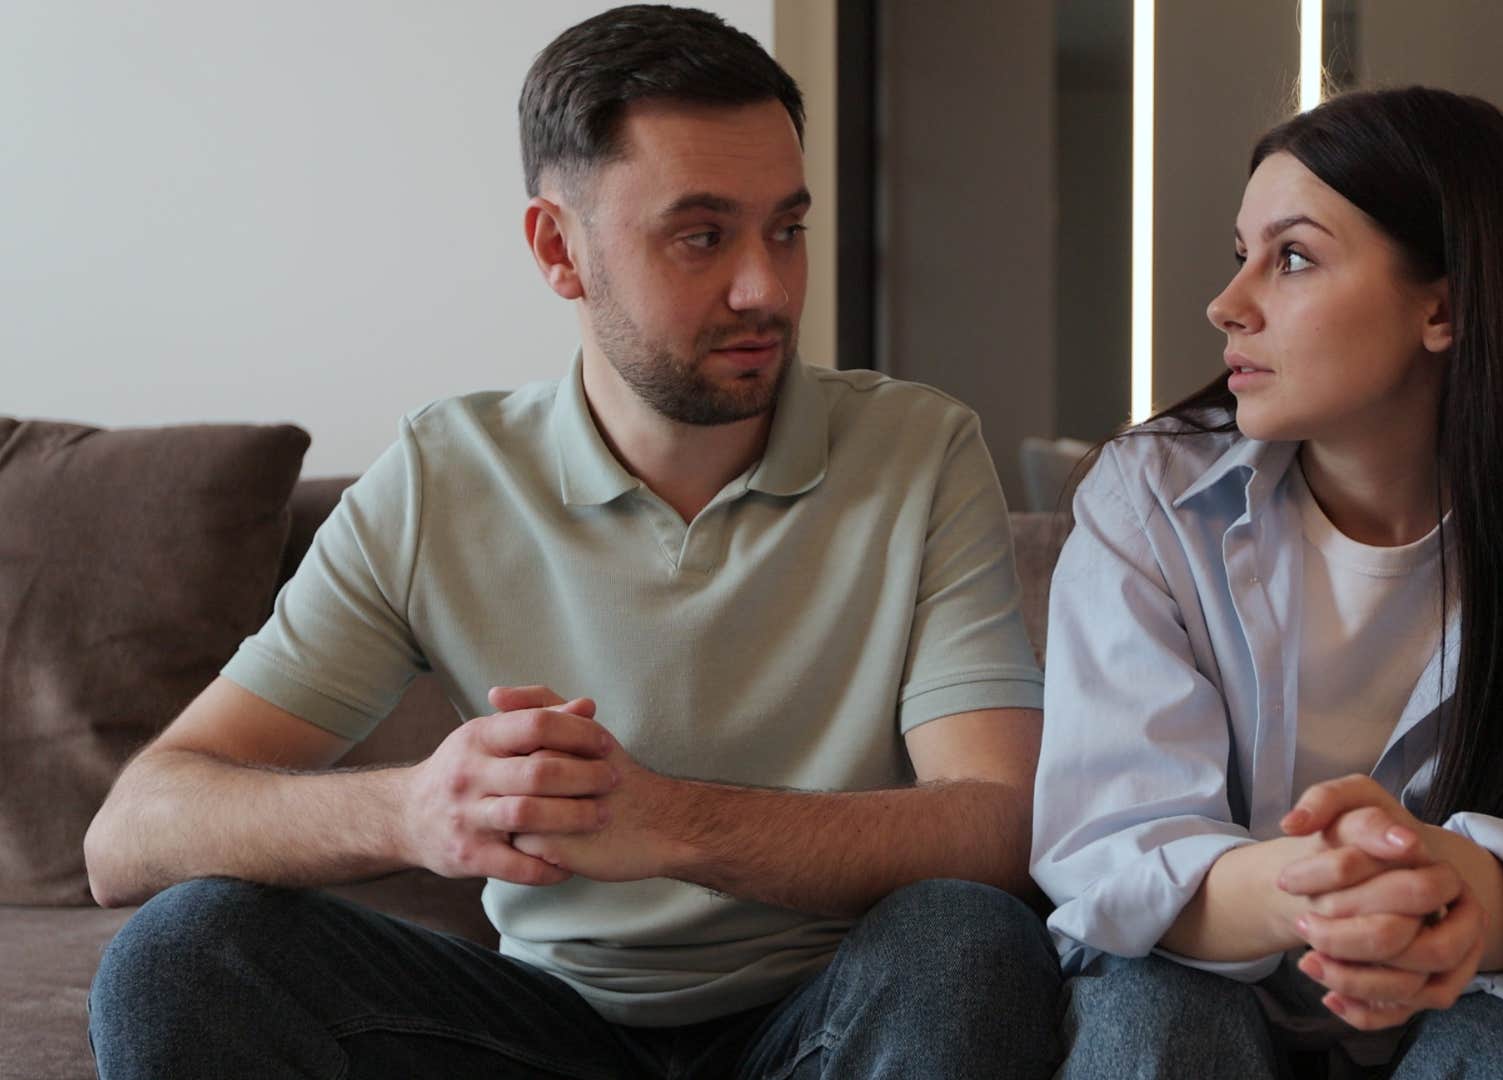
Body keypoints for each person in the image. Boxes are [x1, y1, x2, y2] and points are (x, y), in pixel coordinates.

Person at [84, 7, 1058, 1077]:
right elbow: (130, 834)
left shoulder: (919, 452)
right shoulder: (443, 478)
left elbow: (997, 827)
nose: (766, 289)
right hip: (543, 1032)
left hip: (832, 1023)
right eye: (701, 235)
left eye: (787, 227)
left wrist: (676, 824)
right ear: (559, 248)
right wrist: (412, 810)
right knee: (181, 956)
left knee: (970, 940)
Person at [1031, 86, 1503, 1079]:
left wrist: (1474, 900)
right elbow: (1110, 845)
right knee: (1151, 1014)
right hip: (1213, 980)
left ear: (1443, 307)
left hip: (1481, 1002)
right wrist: (1344, 885)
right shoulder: (1147, 496)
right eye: (1240, 255)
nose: (1227, 305)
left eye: (1291, 256)